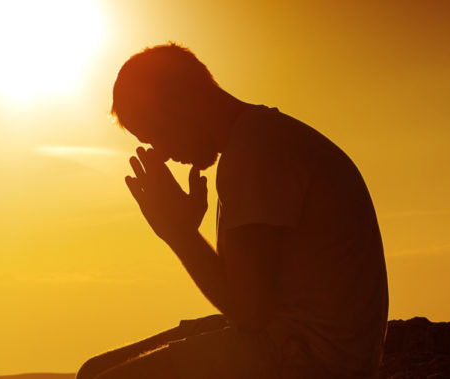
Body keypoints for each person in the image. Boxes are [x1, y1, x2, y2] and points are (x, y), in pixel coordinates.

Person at [77, 43, 388, 379]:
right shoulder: (260, 137)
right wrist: (184, 230)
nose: (162, 153)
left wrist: (180, 234)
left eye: (156, 135)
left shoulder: (254, 152)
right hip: (305, 344)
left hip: (311, 359)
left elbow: (248, 312)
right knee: (93, 370)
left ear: (181, 104)